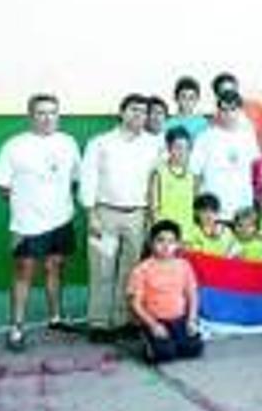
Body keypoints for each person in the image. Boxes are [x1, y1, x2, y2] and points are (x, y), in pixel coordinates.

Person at [0, 94, 81, 351]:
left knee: (55, 267)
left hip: (61, 220)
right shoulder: (14, 145)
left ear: (58, 116)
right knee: (24, 273)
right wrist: (26, 208)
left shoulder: (68, 143)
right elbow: (2, 186)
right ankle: (16, 327)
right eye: (41, 113)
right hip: (27, 224)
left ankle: (56, 318)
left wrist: (57, 204)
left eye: (52, 112)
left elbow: (74, 179)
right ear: (30, 116)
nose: (47, 118)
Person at [80, 94, 162, 340]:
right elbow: (88, 179)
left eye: (143, 112)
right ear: (122, 112)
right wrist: (91, 213)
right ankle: (99, 323)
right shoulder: (101, 142)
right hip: (104, 213)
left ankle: (123, 320)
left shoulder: (153, 144)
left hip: (138, 215)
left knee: (131, 271)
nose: (139, 116)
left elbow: (156, 181)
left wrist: (152, 215)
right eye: (134, 110)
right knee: (102, 269)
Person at [127, 220, 203, 364]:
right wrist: (153, 325)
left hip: (179, 319)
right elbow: (135, 304)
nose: (166, 246)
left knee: (194, 348)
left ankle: (173, 340)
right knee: (165, 353)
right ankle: (147, 337)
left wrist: (192, 320)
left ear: (178, 244)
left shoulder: (184, 265)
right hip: (156, 320)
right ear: (151, 243)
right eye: (160, 240)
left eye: (171, 241)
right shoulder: (142, 269)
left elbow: (192, 295)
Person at [190, 90, 261, 220]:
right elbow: (195, 175)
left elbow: (256, 171)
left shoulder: (248, 137)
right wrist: (195, 207)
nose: (228, 114)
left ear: (240, 110)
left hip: (243, 211)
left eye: (233, 109)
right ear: (218, 111)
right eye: (224, 109)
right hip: (212, 212)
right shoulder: (205, 137)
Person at [148, 127, 196, 229]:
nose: (182, 152)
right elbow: (153, 208)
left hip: (187, 233)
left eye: (186, 148)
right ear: (169, 148)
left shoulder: (190, 174)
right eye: (178, 147)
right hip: (166, 234)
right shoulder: (159, 173)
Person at [164, 76, 209, 140]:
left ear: (197, 100)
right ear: (176, 98)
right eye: (183, 97)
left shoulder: (203, 124)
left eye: (191, 98)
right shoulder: (167, 124)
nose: (187, 101)